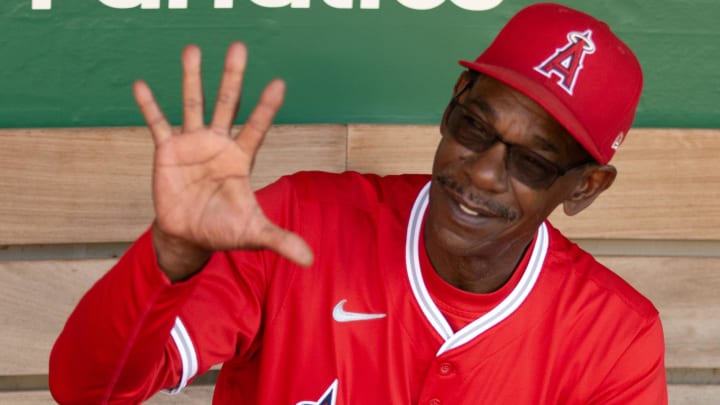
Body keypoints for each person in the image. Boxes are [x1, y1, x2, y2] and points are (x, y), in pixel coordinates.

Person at [49, 3, 667, 404]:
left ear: (584, 187)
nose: (479, 171)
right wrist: (169, 258)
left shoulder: (615, 340)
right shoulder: (298, 225)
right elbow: (87, 389)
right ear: (454, 98)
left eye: (531, 162)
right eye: (473, 126)